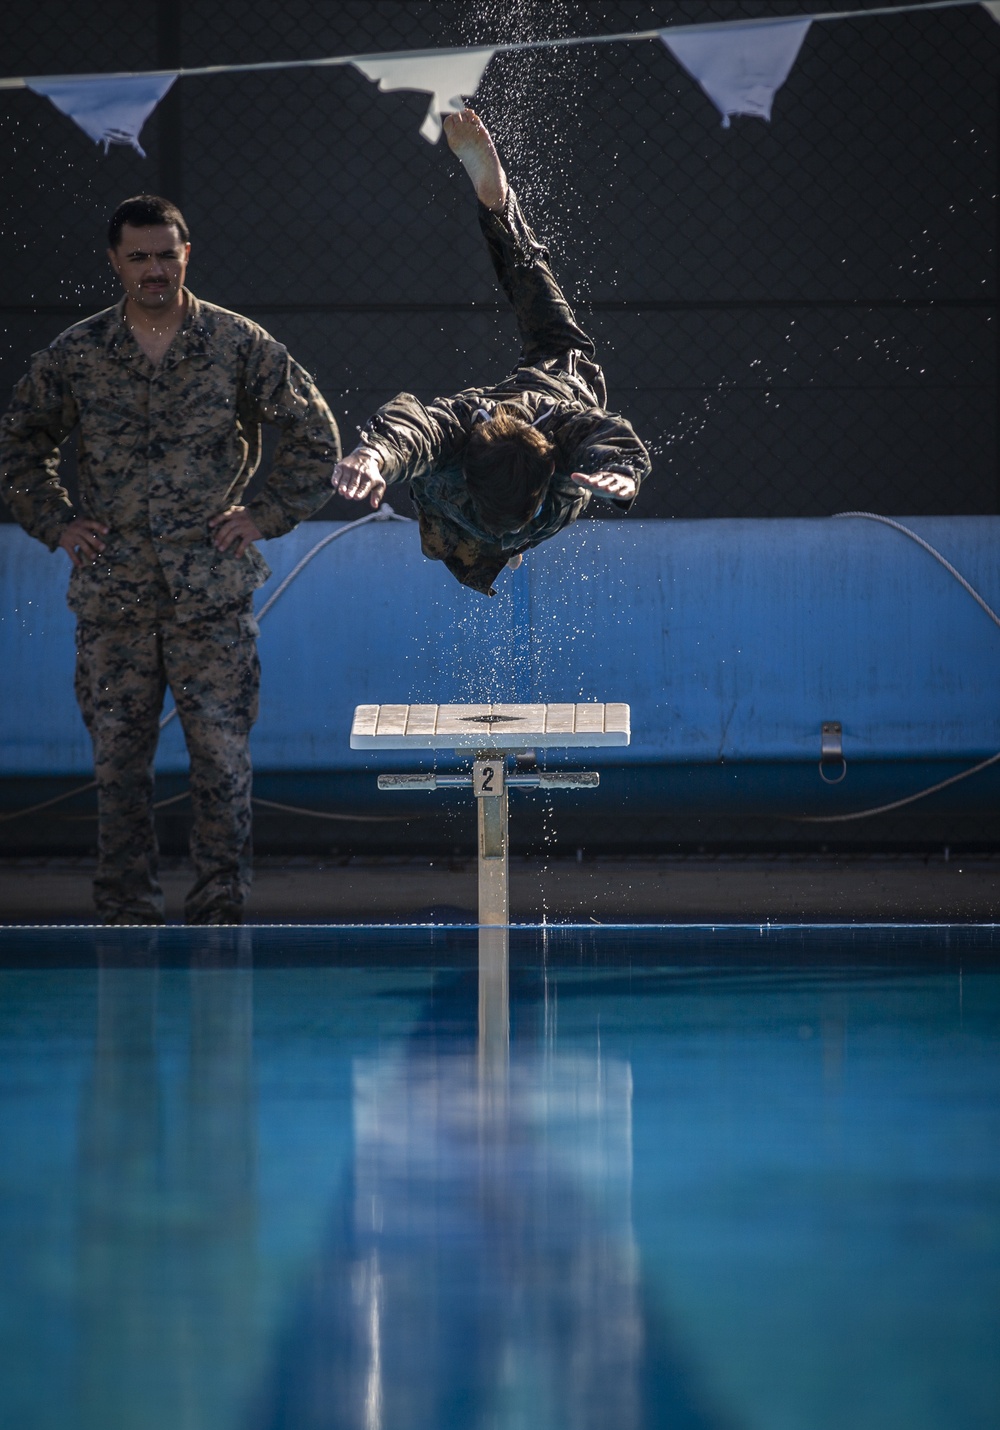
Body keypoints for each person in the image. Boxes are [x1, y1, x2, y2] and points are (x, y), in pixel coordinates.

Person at [0, 194, 341, 925]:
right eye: (139, 257)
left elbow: (316, 440)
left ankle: (219, 908)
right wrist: (57, 523)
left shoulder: (239, 345)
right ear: (115, 261)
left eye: (166, 254)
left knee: (221, 763)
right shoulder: (79, 353)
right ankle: (126, 912)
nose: (154, 270)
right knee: (118, 768)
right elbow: (17, 447)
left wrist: (264, 515)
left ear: (187, 254)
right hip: (113, 598)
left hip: (210, 594)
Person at [331, 110, 651, 596]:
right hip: (546, 402)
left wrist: (620, 469)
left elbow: (610, 434)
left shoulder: (560, 444)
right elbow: (412, 429)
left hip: (539, 452)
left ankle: (496, 200)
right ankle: (497, 204)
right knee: (438, 493)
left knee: (439, 494)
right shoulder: (469, 434)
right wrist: (375, 452)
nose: (507, 533)